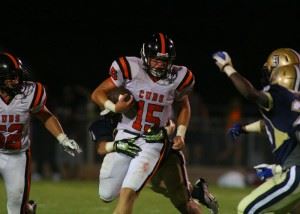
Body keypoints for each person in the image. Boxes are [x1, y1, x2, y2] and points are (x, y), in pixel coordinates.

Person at [91, 32, 198, 214]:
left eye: (164, 61)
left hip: (153, 140)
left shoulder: (179, 77)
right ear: (145, 56)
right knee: (106, 194)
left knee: (128, 194)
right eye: (155, 59)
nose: (159, 64)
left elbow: (184, 106)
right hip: (126, 134)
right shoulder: (130, 68)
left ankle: (180, 188)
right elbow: (97, 93)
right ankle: (191, 190)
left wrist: (181, 133)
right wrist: (115, 108)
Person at [213, 51, 300, 213]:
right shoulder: (293, 101)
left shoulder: (279, 94)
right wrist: (244, 128)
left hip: (294, 174)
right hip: (290, 170)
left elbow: (250, 94)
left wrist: (227, 67)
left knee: (247, 209)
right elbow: (275, 124)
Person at [0, 51, 82, 214]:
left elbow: (45, 115)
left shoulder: (30, 92)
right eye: (11, 77)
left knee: (15, 208)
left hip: (16, 156)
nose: (17, 80)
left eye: (18, 75)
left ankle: (26, 210)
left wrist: (63, 139)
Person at [88, 112, 219, 214]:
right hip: (137, 160)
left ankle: (195, 193)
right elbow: (101, 147)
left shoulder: (142, 108)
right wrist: (116, 145)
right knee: (111, 194)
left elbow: (169, 124)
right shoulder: (104, 123)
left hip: (164, 158)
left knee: (183, 204)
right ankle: (197, 192)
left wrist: (165, 132)